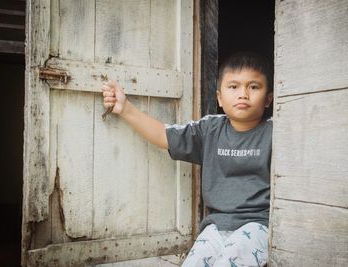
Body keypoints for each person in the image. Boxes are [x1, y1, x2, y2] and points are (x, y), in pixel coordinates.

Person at [102, 52, 273, 267]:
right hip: (216, 226)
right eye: (233, 87)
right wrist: (125, 108)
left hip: (258, 226)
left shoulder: (274, 132)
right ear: (219, 98)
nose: (243, 94)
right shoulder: (210, 129)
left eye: (254, 87)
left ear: (269, 98)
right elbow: (164, 136)